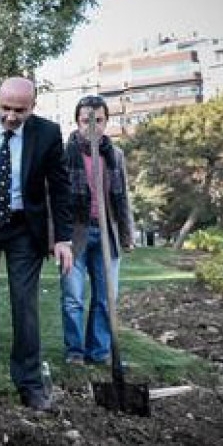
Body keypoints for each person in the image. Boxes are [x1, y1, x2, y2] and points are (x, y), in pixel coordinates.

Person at [0, 77, 73, 411]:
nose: (10, 116)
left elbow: (60, 188)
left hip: (24, 228)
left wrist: (62, 237)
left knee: (25, 305)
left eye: (19, 110)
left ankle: (29, 384)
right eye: (5, 108)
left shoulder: (47, 134)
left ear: (33, 107)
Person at [59, 95, 135, 365]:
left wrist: (126, 235)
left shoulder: (115, 155)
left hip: (106, 234)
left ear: (106, 122)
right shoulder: (64, 154)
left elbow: (122, 197)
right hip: (74, 235)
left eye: (99, 121)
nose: (92, 126)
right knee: (73, 298)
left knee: (105, 298)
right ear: (77, 121)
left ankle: (99, 350)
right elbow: (52, 199)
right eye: (85, 120)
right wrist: (56, 238)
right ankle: (75, 351)